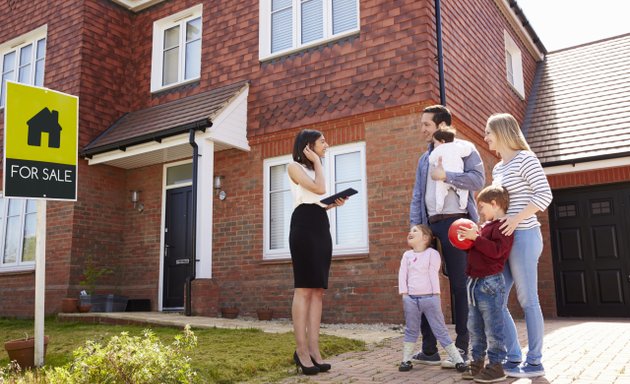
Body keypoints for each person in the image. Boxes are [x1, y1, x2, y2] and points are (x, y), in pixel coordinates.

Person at [410, 105, 485, 367]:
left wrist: (447, 176)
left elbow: (478, 180)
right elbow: (418, 195)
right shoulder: (423, 159)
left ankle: (464, 346)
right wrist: (416, 228)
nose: (422, 130)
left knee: (459, 286)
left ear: (441, 126)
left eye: (426, 125)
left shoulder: (466, 149)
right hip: (431, 226)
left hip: (457, 223)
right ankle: (429, 349)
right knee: (424, 286)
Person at [484, 113, 552, 379]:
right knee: (494, 299)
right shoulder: (498, 168)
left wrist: (515, 219)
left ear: (501, 132)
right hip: (504, 239)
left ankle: (534, 361)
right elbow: (500, 206)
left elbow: (544, 195)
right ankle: (513, 356)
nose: (486, 137)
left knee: (527, 299)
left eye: (488, 132)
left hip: (524, 236)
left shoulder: (526, 159)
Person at [287, 129, 347, 376]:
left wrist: (333, 205)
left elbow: (319, 200)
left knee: (318, 290)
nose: (327, 145)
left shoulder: (314, 168)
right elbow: (319, 189)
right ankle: (301, 351)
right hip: (303, 226)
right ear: (308, 146)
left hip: (320, 224)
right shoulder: (293, 166)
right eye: (322, 142)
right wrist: (317, 162)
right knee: (303, 288)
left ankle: (314, 350)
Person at [457, 185, 514, 383]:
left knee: (493, 326)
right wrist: (468, 242)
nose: (480, 211)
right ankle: (477, 362)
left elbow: (498, 252)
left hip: (490, 282)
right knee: (475, 326)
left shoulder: (503, 226)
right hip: (473, 282)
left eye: (482, 207)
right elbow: (477, 251)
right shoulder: (484, 227)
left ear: (494, 203)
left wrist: (477, 239)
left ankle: (497, 365)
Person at [397, 224, 467, 373]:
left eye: (415, 230)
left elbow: (433, 274)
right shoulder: (407, 256)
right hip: (411, 299)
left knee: (440, 330)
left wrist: (436, 295)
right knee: (411, 329)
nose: (410, 232)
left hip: (430, 298)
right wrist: (404, 294)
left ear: (425, 238)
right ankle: (406, 360)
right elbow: (402, 275)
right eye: (410, 230)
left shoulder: (432, 254)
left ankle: (458, 360)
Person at [428, 127, 473, 213]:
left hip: (443, 177)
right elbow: (468, 150)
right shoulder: (457, 146)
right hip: (457, 176)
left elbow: (430, 160)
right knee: (464, 189)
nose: (434, 145)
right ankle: (463, 203)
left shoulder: (438, 149)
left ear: (442, 141)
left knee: (439, 192)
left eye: (435, 142)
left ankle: (439, 207)